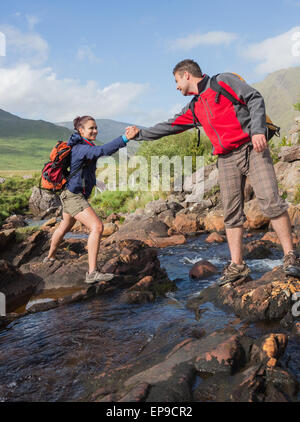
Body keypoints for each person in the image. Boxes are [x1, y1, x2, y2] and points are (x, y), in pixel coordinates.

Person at [132, 59, 300, 285]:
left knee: (270, 201)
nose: (176, 86)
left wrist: (258, 130)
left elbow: (254, 98)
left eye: (176, 81)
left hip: (252, 148)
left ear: (186, 75)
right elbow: (170, 126)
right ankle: (238, 266)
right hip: (225, 158)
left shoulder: (222, 82)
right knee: (231, 213)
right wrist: (140, 134)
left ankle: (290, 257)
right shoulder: (194, 106)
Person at [44, 116, 139, 284]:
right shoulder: (81, 148)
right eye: (91, 128)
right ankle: (92, 273)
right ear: (81, 131)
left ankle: (49, 258)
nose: (95, 131)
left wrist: (96, 182)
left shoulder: (84, 146)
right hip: (73, 196)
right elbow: (102, 151)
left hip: (70, 193)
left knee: (64, 227)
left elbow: (85, 170)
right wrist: (125, 139)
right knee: (97, 226)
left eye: (96, 128)